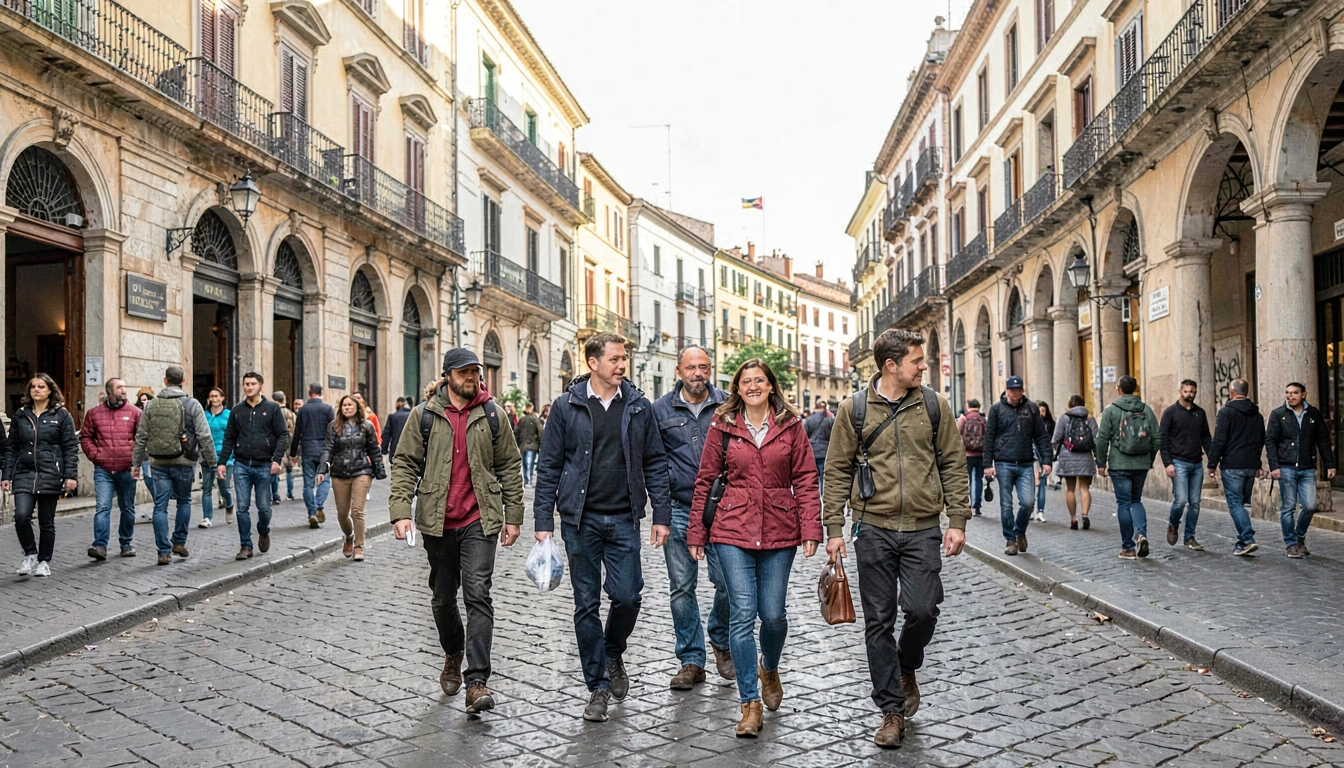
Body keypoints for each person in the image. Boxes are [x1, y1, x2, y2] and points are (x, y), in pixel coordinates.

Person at [822, 328, 969, 748]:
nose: (924, 366)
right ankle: (891, 709)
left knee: (923, 609)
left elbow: (953, 463)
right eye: (916, 361)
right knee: (878, 621)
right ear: (891, 366)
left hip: (923, 527)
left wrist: (957, 519)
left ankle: (907, 664)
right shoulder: (853, 409)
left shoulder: (934, 405)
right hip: (873, 528)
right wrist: (834, 528)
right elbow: (836, 470)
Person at [533, 332, 671, 723]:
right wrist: (543, 520)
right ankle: (597, 686)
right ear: (593, 362)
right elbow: (549, 465)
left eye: (623, 358)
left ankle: (613, 651)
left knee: (627, 596)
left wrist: (661, 514)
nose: (622, 365)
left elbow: (655, 462)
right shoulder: (566, 406)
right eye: (614, 359)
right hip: (581, 520)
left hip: (624, 516)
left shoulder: (639, 406)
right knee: (586, 604)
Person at [687, 359, 820, 739]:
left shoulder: (791, 426)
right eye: (746, 381)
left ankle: (769, 668)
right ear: (737, 388)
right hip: (731, 529)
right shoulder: (723, 425)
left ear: (771, 385)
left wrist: (812, 528)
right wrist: (697, 533)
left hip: (780, 529)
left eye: (760, 380)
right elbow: (705, 480)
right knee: (743, 613)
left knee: (773, 615)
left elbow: (806, 479)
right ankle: (749, 703)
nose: (753, 386)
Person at [389, 349, 524, 715]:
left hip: (480, 519)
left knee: (479, 594)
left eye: (475, 372)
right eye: (464, 372)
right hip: (438, 521)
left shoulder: (493, 414)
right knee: (442, 598)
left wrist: (513, 515)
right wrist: (400, 512)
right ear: (447, 375)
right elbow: (404, 464)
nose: (471, 378)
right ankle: (453, 651)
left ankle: (477, 681)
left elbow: (510, 465)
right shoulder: (424, 415)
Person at [651, 345, 733, 691]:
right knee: (682, 588)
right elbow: (654, 464)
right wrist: (661, 512)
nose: (698, 373)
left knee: (728, 583)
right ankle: (691, 660)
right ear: (678, 371)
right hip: (680, 508)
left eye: (704, 367)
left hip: (723, 509)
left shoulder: (728, 404)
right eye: (691, 367)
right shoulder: (659, 410)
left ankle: (719, 635)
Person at [131, 367, 216, 567]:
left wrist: (136, 463)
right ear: (183, 381)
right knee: (184, 500)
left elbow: (141, 437)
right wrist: (211, 461)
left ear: (165, 380)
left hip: (158, 462)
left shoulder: (150, 405)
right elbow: (204, 435)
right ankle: (178, 541)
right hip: (184, 460)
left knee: (160, 505)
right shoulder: (192, 404)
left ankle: (163, 551)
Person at [4, 374, 77, 577]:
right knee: (21, 516)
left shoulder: (61, 415)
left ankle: (44, 561)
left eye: (41, 386)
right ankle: (30, 554)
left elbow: (70, 447)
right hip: (24, 472)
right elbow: (12, 448)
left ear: (50, 390)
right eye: (33, 386)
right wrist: (6, 475)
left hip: (50, 472)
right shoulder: (21, 415)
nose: (36, 389)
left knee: (46, 521)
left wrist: (70, 476)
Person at [218, 372, 289, 560]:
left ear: (260, 385)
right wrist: (222, 463)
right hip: (241, 465)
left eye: (252, 384)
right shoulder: (237, 411)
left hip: (264, 465)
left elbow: (283, 435)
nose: (249, 387)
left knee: (264, 507)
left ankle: (263, 530)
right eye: (246, 384)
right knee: (242, 507)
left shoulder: (272, 408)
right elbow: (229, 438)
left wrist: (277, 459)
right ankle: (246, 545)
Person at [1265, 382, 1336, 558]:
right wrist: (1274, 466)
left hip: (1307, 467)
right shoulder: (1278, 414)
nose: (1290, 396)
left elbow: (1323, 440)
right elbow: (1270, 441)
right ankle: (1290, 544)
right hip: (1286, 467)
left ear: (1303, 394)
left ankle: (1299, 536)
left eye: (1294, 393)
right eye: (1287, 392)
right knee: (1288, 507)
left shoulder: (1313, 414)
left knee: (1310, 506)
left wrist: (1330, 464)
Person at [1095, 376, 1162, 560]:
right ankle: (1141, 534)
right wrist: (1149, 459)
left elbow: (1102, 439)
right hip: (1141, 463)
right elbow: (1157, 437)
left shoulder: (1111, 410)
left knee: (1123, 504)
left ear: (1118, 389)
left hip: (1119, 464)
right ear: (1135, 389)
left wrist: (1101, 463)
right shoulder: (1146, 409)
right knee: (1136, 500)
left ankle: (1128, 547)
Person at [983, 376, 1051, 556]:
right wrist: (987, 464)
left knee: (1028, 502)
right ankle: (1010, 539)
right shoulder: (996, 409)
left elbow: (1041, 436)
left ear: (1023, 391)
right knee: (1006, 504)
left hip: (1026, 463)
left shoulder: (1031, 408)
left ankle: (1019, 530)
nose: (1015, 394)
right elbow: (989, 438)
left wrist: (1047, 460)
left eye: (1018, 390)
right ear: (1006, 391)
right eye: (1012, 391)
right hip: (1003, 462)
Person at [316, 395, 385, 562]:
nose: (347, 407)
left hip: (362, 471)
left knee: (357, 511)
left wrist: (378, 467)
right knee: (342, 514)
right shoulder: (334, 426)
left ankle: (359, 546)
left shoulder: (367, 425)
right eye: (344, 405)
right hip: (339, 473)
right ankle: (349, 536)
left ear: (357, 407)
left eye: (350, 404)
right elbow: (328, 449)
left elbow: (374, 449)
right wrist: (322, 468)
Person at [81, 378, 141, 560]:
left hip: (127, 469)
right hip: (104, 470)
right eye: (119, 387)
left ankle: (126, 543)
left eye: (124, 386)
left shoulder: (135, 413)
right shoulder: (94, 414)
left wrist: (136, 460)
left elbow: (142, 438)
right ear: (109, 391)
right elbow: (85, 437)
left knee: (127, 508)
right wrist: (96, 456)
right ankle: (100, 545)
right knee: (102, 507)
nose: (124, 390)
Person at [1207, 378, 1264, 556]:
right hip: (1250, 465)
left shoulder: (1226, 412)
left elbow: (1219, 440)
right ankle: (1242, 542)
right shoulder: (1257, 414)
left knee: (1235, 503)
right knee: (1242, 503)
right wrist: (1258, 463)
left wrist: (1212, 464)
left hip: (1232, 465)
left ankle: (1247, 538)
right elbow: (1260, 440)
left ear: (1231, 391)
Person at [1159, 380, 1212, 550]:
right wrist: (1168, 463)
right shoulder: (1170, 413)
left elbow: (1206, 437)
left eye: (1193, 392)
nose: (1190, 394)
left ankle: (1190, 537)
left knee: (1195, 503)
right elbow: (1163, 440)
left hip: (1196, 463)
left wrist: (1212, 460)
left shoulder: (1200, 413)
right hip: (1178, 462)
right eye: (1187, 391)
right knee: (1181, 500)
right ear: (1180, 391)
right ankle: (1173, 524)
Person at [1051, 394, 1098, 530]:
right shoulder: (1090, 419)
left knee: (1070, 489)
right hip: (1086, 458)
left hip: (1068, 458)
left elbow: (1055, 439)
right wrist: (1099, 460)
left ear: (1069, 405)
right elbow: (1097, 441)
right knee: (1084, 488)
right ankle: (1085, 515)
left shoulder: (1064, 418)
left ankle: (1073, 519)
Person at [291, 383, 335, 527]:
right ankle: (318, 506)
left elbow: (297, 433)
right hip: (324, 450)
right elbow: (333, 431)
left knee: (308, 484)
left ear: (309, 392)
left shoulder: (303, 410)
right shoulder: (328, 409)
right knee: (325, 480)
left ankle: (311, 512)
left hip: (307, 449)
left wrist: (293, 453)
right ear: (322, 392)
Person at [201, 388, 234, 528]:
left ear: (222, 398)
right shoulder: (204, 415)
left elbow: (233, 436)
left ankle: (229, 504)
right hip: (207, 455)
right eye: (211, 396)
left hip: (225, 457)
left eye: (216, 396)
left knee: (224, 486)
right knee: (206, 488)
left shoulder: (229, 415)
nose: (214, 399)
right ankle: (206, 518)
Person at [957, 399, 986, 516]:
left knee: (966, 480)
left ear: (968, 406)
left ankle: (967, 505)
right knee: (978, 480)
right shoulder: (983, 419)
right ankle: (977, 506)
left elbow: (956, 433)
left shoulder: (964, 418)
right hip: (980, 454)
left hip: (966, 454)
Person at [270, 391, 297, 505]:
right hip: (289, 444)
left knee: (275, 470)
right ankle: (290, 493)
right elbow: (296, 431)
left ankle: (275, 495)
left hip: (277, 445)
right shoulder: (292, 414)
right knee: (289, 470)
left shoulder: (273, 413)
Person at [803, 399, 832, 495]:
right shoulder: (828, 420)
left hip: (812, 451)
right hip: (824, 451)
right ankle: (823, 494)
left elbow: (805, 436)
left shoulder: (809, 420)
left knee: (812, 475)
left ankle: (813, 494)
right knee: (824, 475)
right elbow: (831, 436)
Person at [1034, 401, 1056, 520]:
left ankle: (1040, 511)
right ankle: (1032, 509)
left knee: (1041, 483)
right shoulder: (1033, 424)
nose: (1041, 414)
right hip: (1035, 457)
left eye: (1043, 411)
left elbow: (1050, 442)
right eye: (1039, 411)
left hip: (1042, 457)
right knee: (1032, 484)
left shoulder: (1049, 424)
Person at [514, 402, 543, 487]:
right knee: (528, 463)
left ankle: (527, 480)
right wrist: (540, 443)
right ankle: (528, 480)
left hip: (525, 444)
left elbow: (517, 432)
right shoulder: (535, 419)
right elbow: (540, 432)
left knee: (526, 463)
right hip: (531, 444)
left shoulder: (523, 419)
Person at [135, 386, 156, 504]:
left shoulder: (155, 412)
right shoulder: (137, 413)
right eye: (142, 400)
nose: (145, 402)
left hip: (154, 452)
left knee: (154, 479)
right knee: (148, 479)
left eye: (147, 399)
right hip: (143, 454)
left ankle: (159, 503)